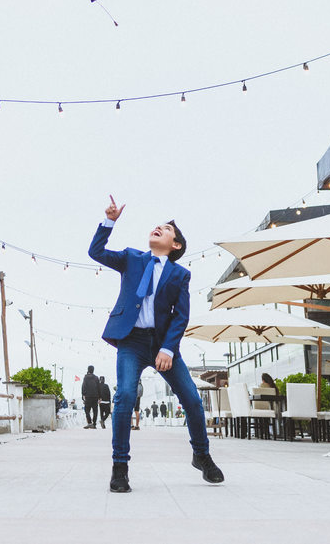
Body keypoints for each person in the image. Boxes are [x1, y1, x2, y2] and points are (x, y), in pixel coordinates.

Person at [89, 195, 224, 492]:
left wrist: (167, 348)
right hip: (131, 341)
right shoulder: (131, 258)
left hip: (164, 344)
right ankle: (120, 467)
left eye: (165, 229)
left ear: (175, 245)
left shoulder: (180, 274)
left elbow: (181, 316)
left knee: (191, 399)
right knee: (124, 397)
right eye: (156, 226)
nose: (158, 229)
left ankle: (201, 455)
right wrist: (109, 221)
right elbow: (95, 252)